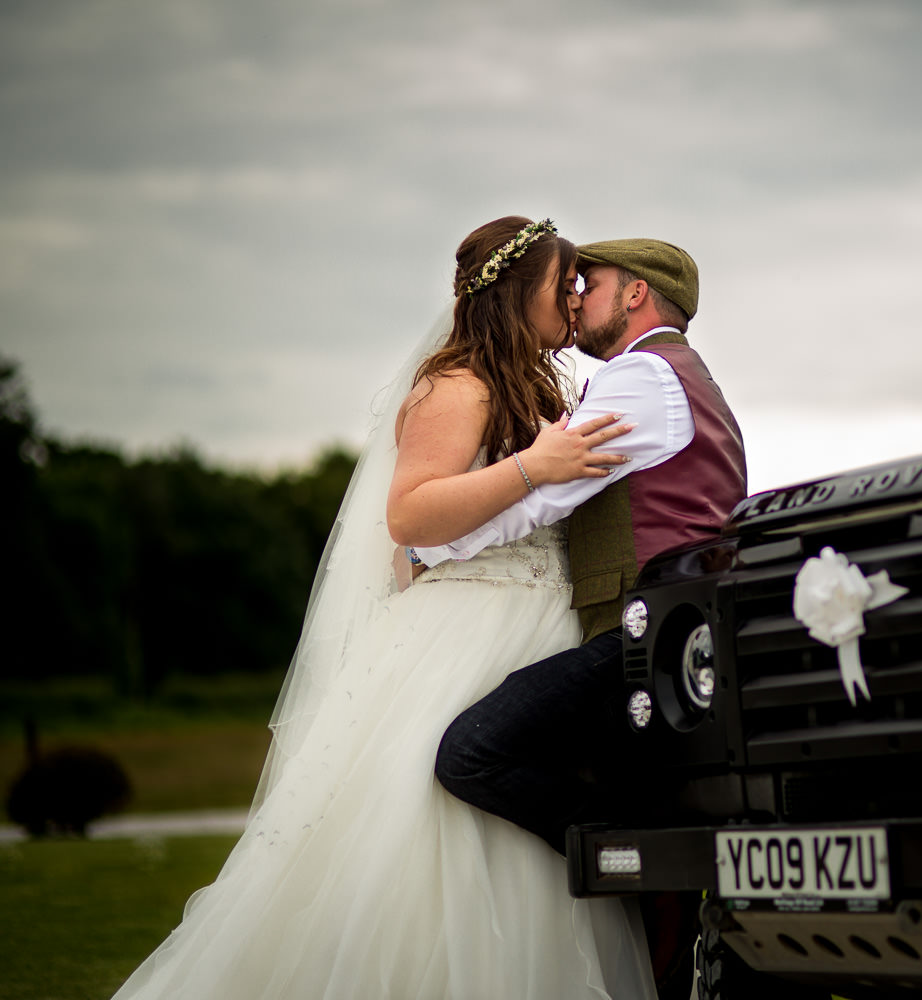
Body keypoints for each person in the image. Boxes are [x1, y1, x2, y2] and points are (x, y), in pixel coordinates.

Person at [110, 217, 659, 1000]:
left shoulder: (535, 384)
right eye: (561, 283)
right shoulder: (457, 385)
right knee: (442, 834)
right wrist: (534, 468)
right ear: (515, 294)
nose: (575, 300)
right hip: (467, 634)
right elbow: (411, 515)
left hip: (542, 629)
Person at [427, 238, 747, 857]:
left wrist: (430, 550)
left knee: (472, 751)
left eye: (588, 285)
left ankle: (623, 848)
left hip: (644, 633)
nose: (574, 302)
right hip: (660, 630)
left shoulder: (642, 375)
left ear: (635, 294)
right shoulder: (678, 374)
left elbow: (545, 495)